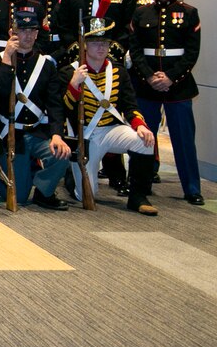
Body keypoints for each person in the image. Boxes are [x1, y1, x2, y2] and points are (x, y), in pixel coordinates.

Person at [62, 13, 158, 216]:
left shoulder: (119, 71)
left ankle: (138, 196)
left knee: (145, 141)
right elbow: (63, 109)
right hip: (85, 134)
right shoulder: (68, 72)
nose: (101, 47)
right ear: (85, 44)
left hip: (111, 129)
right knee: (85, 194)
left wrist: (139, 124)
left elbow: (130, 105)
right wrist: (73, 84)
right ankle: (72, 177)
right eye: (95, 42)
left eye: (105, 42)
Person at [129, 0, 204, 205]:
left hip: (178, 86)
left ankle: (192, 188)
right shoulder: (141, 13)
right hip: (146, 85)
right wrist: (150, 76)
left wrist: (171, 77)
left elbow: (191, 53)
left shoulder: (189, 13)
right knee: (142, 139)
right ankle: (141, 186)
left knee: (183, 140)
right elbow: (136, 50)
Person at [0, 10, 71, 210]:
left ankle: (44, 192)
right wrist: (8, 57)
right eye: (23, 31)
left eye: (32, 30)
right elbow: (1, 90)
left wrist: (57, 135)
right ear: (12, 32)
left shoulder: (46, 65)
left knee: (62, 154)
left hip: (37, 131)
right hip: (10, 133)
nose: (28, 36)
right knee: (20, 197)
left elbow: (55, 104)